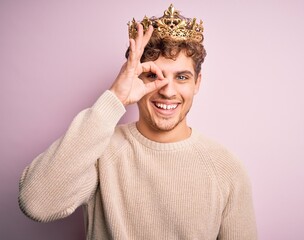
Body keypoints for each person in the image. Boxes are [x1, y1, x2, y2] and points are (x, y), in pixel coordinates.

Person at [18, 4, 257, 239]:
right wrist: (116, 97)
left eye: (182, 77)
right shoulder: (100, 152)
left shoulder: (226, 168)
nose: (168, 91)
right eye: (153, 75)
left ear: (197, 83)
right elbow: (36, 203)